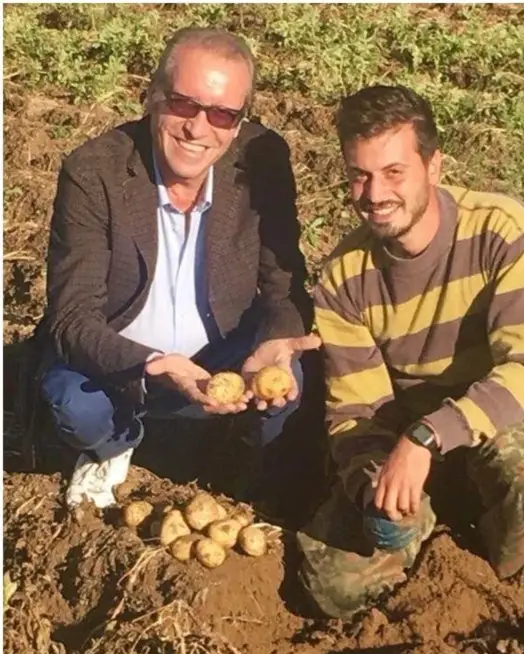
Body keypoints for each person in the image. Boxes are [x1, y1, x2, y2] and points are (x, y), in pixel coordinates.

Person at [296, 85, 524, 619]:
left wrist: (427, 437)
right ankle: (428, 523)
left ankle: (510, 561)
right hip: (412, 453)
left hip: (497, 428)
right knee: (331, 585)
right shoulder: (344, 278)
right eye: (359, 174)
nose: (374, 194)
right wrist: (373, 484)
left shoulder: (500, 230)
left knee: (522, 464)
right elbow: (356, 415)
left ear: (434, 166)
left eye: (394, 173)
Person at [39, 27, 319, 509]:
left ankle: (246, 480)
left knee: (293, 383)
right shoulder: (94, 171)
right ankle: (112, 447)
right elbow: (73, 317)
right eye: (184, 104)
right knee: (76, 406)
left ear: (239, 121)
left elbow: (282, 282)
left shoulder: (262, 161)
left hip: (220, 352)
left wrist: (278, 339)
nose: (198, 128)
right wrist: (153, 364)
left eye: (222, 114)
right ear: (152, 96)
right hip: (124, 365)